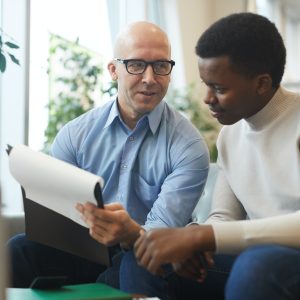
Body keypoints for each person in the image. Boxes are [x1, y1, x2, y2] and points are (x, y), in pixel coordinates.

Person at [7, 21, 209, 298]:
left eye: (161, 66)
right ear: (114, 70)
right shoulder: (75, 135)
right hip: (84, 248)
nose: (150, 78)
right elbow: (59, 222)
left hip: (145, 251)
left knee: (138, 265)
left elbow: (160, 238)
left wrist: (129, 234)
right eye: (136, 65)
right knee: (18, 249)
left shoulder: (188, 146)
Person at [135, 12, 300, 300]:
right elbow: (224, 216)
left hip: (276, 263)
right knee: (149, 258)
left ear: (261, 84)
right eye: (206, 84)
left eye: (220, 88)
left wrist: (202, 237)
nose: (208, 98)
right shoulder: (231, 136)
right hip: (258, 257)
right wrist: (196, 242)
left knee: (257, 266)